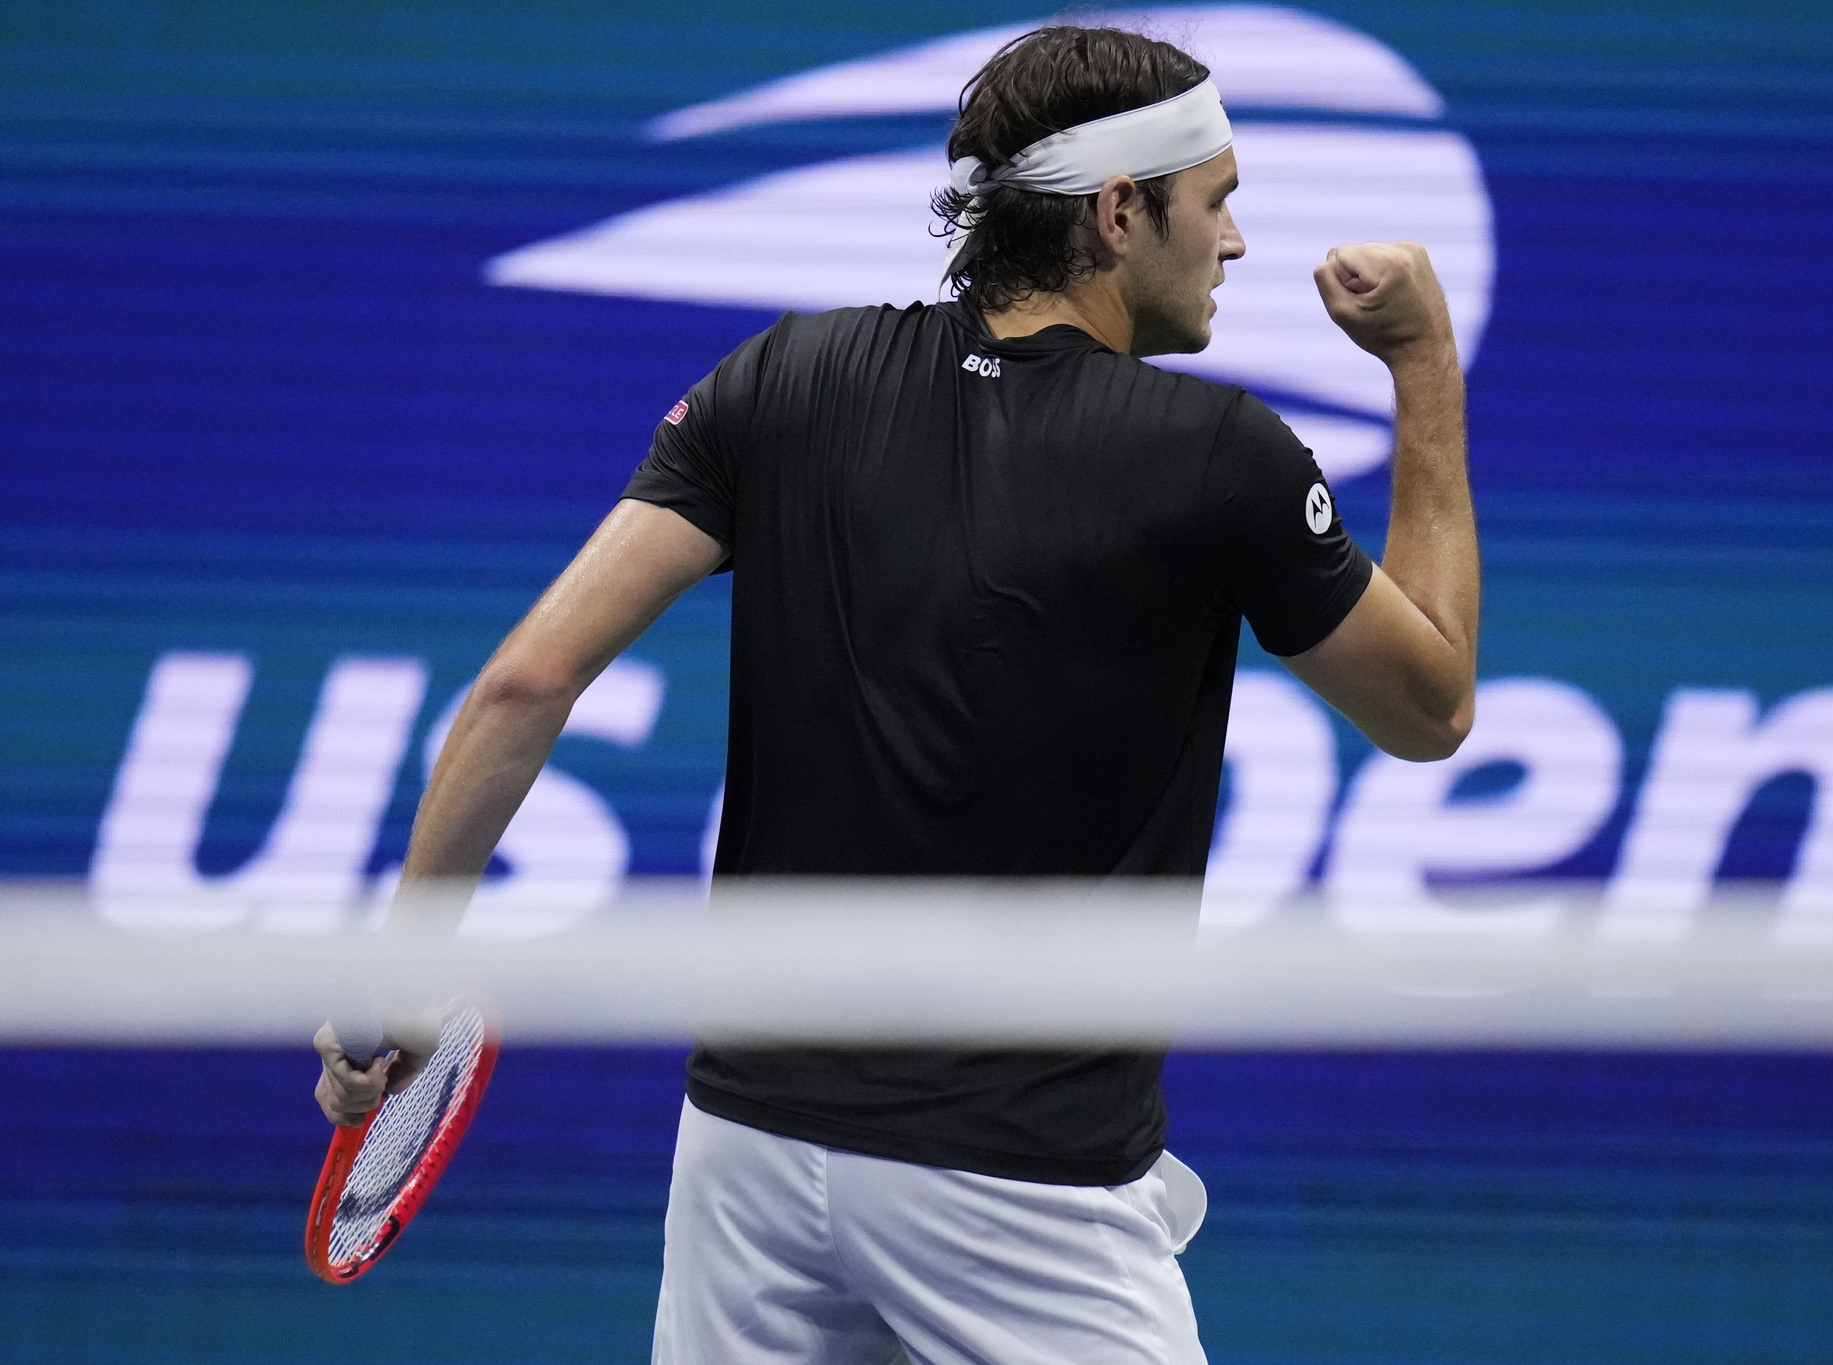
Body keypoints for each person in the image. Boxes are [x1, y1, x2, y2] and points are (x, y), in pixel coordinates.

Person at [313, 23, 1477, 1365]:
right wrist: (1421, 363)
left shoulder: (779, 380)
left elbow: (526, 680)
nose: (1236, 242)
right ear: (1117, 213)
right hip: (1021, 1186)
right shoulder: (1222, 455)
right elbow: (1429, 707)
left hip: (749, 1154)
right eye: (1214, 203)